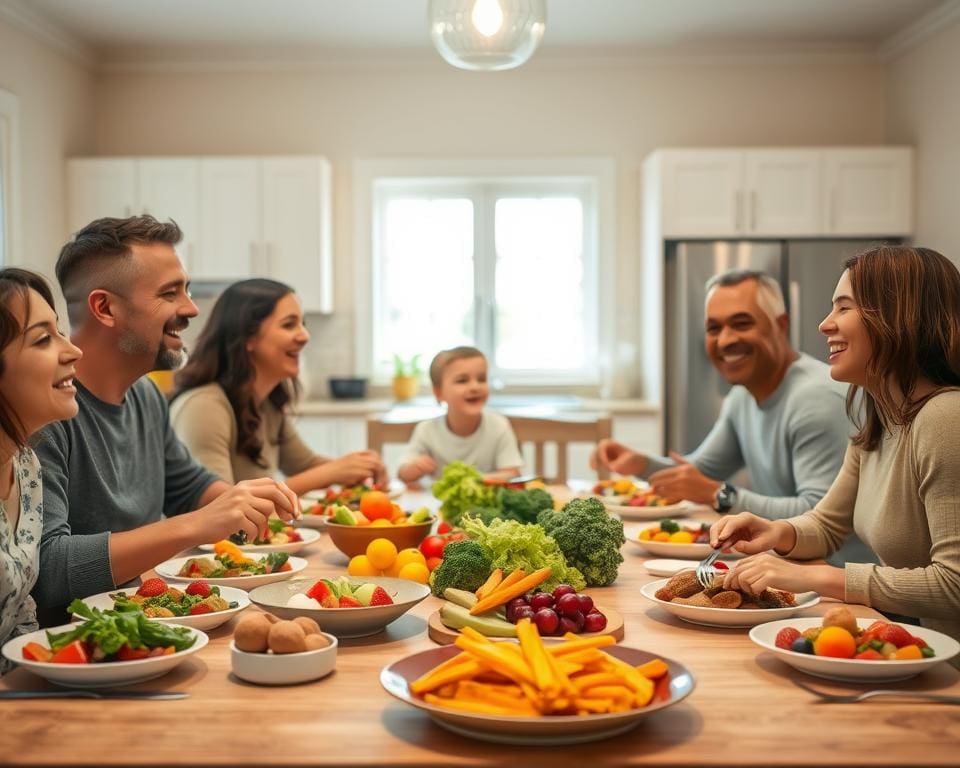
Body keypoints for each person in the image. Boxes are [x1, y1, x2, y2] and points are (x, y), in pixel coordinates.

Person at [33, 216, 300, 620]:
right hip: (73, 648)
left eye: (186, 290)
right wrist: (197, 524)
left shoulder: (145, 395)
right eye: (169, 293)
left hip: (142, 619)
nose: (190, 308)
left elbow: (187, 486)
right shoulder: (44, 413)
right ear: (105, 308)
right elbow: (47, 568)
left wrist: (243, 500)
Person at [711, 246, 960, 646]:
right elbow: (827, 525)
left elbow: (954, 584)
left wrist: (822, 577)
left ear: (898, 316)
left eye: (844, 308)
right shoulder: (879, 418)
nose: (825, 324)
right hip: (918, 646)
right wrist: (775, 531)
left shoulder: (946, 418)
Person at [591, 269, 872, 565]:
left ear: (782, 325)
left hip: (836, 582)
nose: (725, 340)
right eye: (714, 328)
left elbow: (818, 516)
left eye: (741, 324)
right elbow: (701, 472)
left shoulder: (817, 399)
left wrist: (720, 495)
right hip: (783, 564)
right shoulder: (742, 395)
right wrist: (640, 464)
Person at [169, 278, 386, 492]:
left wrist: (359, 466)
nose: (305, 336)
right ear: (248, 338)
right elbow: (218, 509)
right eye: (289, 324)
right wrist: (333, 471)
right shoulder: (204, 407)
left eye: (303, 324)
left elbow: (305, 465)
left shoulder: (266, 403)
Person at [0, 269, 82, 673]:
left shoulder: (26, 466)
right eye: (43, 339)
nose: (73, 351)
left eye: (60, 331)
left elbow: (19, 618)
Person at [397, 346, 522, 483]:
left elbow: (512, 473)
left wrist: (472, 481)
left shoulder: (499, 425)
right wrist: (415, 467)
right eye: (462, 380)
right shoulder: (426, 430)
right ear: (438, 393)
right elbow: (402, 473)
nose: (475, 387)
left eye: (481, 379)